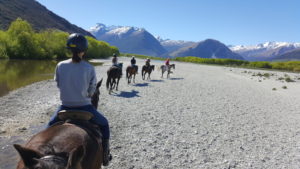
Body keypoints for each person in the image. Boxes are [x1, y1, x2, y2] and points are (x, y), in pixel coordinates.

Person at [48, 33, 112, 166]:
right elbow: (91, 91)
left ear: (69, 49)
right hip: (85, 108)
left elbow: (59, 84)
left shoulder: (60, 65)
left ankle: (44, 155)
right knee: (104, 125)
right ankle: (105, 156)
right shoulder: (89, 68)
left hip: (64, 107)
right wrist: (84, 94)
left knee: (47, 129)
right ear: (84, 51)